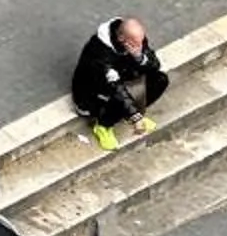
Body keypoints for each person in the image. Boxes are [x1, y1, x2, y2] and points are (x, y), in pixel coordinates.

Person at [70, 16, 169, 152]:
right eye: (136, 42)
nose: (140, 45)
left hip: (121, 78)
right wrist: (135, 116)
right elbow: (115, 88)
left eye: (141, 41)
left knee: (160, 79)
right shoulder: (99, 53)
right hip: (91, 94)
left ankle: (128, 114)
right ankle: (103, 125)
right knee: (119, 96)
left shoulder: (135, 41)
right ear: (122, 38)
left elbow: (154, 66)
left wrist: (139, 57)